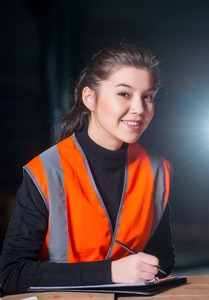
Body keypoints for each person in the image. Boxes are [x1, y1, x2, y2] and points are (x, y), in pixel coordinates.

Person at [0, 43, 175, 295]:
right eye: (124, 94)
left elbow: (163, 258)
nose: (139, 108)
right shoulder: (47, 171)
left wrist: (144, 270)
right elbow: (11, 274)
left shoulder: (157, 170)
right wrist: (111, 272)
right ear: (89, 98)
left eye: (148, 96)